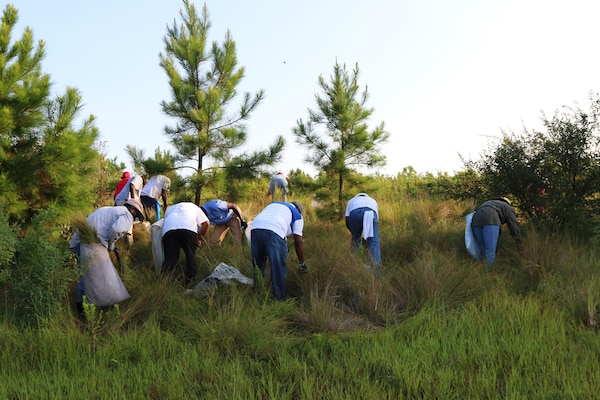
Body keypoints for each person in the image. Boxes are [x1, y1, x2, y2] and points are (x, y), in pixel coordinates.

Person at [69, 199, 145, 310]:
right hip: (92, 245)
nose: (135, 218)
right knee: (97, 278)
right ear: (132, 209)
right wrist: (111, 242)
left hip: (78, 242)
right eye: (137, 215)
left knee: (85, 276)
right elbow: (116, 229)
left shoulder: (107, 209)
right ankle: (95, 307)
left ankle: (81, 307)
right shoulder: (127, 215)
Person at [250, 201, 305, 300]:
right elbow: (298, 242)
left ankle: (257, 296)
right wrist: (301, 262)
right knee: (278, 267)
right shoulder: (297, 215)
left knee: (257, 266)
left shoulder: (274, 205)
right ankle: (279, 299)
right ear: (299, 210)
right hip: (274, 230)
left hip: (255, 228)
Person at [161, 202, 210, 285]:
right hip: (188, 229)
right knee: (190, 256)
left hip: (169, 230)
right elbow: (206, 223)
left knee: (170, 258)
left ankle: (166, 284)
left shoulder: (170, 209)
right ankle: (190, 284)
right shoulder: (194, 207)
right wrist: (198, 238)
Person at [471, 197, 522, 266]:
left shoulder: (489, 202)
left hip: (476, 220)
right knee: (490, 251)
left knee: (482, 248)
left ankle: (481, 268)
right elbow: (514, 226)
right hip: (491, 219)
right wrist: (518, 241)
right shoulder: (507, 207)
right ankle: (489, 272)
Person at [345, 193, 381, 270]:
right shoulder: (373, 201)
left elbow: (347, 219)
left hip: (354, 213)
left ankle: (352, 266)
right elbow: (376, 220)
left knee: (355, 240)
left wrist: (353, 232)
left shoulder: (351, 201)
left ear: (357, 196)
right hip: (371, 212)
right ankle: (375, 270)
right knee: (373, 242)